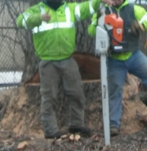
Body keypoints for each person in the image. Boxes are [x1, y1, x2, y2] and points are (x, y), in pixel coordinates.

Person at [88, 0, 147, 136]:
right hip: (114, 58)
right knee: (114, 90)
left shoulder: (133, 9)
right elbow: (91, 30)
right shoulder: (101, 11)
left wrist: (141, 25)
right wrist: (99, 24)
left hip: (134, 55)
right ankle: (113, 125)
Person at [17, 0, 113, 139]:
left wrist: (99, 1)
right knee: (49, 97)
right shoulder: (36, 10)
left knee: (77, 93)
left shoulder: (69, 9)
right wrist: (39, 18)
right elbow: (21, 21)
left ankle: (76, 124)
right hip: (48, 61)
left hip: (68, 59)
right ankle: (50, 130)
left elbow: (86, 8)